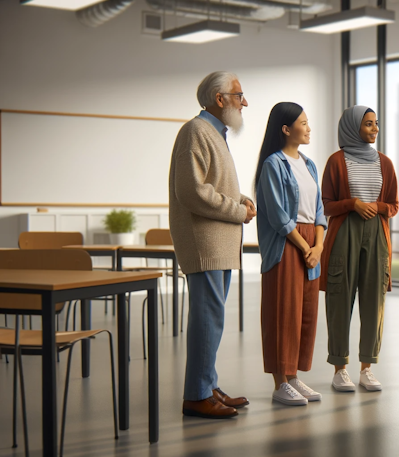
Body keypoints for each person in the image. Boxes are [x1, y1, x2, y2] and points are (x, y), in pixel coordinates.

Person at [170, 71, 255, 419]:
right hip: (205, 241)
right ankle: (197, 396)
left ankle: (207, 385)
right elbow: (192, 191)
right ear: (219, 99)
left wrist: (242, 200)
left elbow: (214, 184)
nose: (244, 102)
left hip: (217, 241)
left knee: (213, 318)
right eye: (239, 95)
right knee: (208, 318)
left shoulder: (213, 133)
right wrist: (238, 210)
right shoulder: (196, 131)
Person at [319, 105, 399, 392]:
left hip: (377, 232)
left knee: (373, 299)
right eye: (368, 124)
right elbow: (326, 205)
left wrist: (375, 207)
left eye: (376, 123)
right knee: (340, 297)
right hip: (344, 233)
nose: (374, 128)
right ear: (353, 127)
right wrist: (352, 204)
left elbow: (393, 205)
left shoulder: (385, 163)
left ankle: (367, 367)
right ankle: (340, 368)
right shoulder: (336, 162)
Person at [256, 102, 327, 406]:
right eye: (303, 123)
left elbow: (320, 211)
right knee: (283, 312)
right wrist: (305, 246)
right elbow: (278, 215)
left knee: (305, 313)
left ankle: (295, 376)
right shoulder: (274, 163)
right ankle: (280, 382)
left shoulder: (309, 164)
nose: (308, 128)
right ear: (286, 129)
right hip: (288, 243)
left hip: (312, 242)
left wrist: (319, 246)